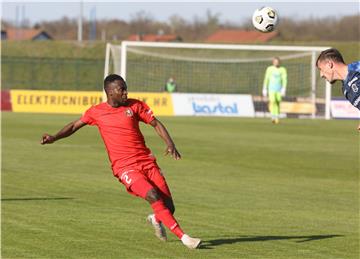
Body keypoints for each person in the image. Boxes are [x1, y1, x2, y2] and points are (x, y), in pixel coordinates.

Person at [40, 74, 201, 249]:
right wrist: (54, 137)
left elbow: (155, 124)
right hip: (125, 167)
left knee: (169, 207)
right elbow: (73, 126)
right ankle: (185, 238)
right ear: (110, 92)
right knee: (152, 195)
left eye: (125, 88)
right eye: (121, 89)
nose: (125, 92)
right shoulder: (96, 112)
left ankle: (155, 218)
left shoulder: (135, 105)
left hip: (147, 162)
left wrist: (170, 143)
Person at [262, 57, 287, 124]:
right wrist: (264, 88)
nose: (276, 63)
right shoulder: (269, 69)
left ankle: (277, 117)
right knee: (273, 101)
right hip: (271, 89)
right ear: (273, 62)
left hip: (278, 89)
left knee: (278, 102)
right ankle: (273, 117)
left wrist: (283, 88)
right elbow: (266, 78)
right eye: (275, 62)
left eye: (277, 62)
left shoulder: (282, 69)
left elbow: (284, 79)